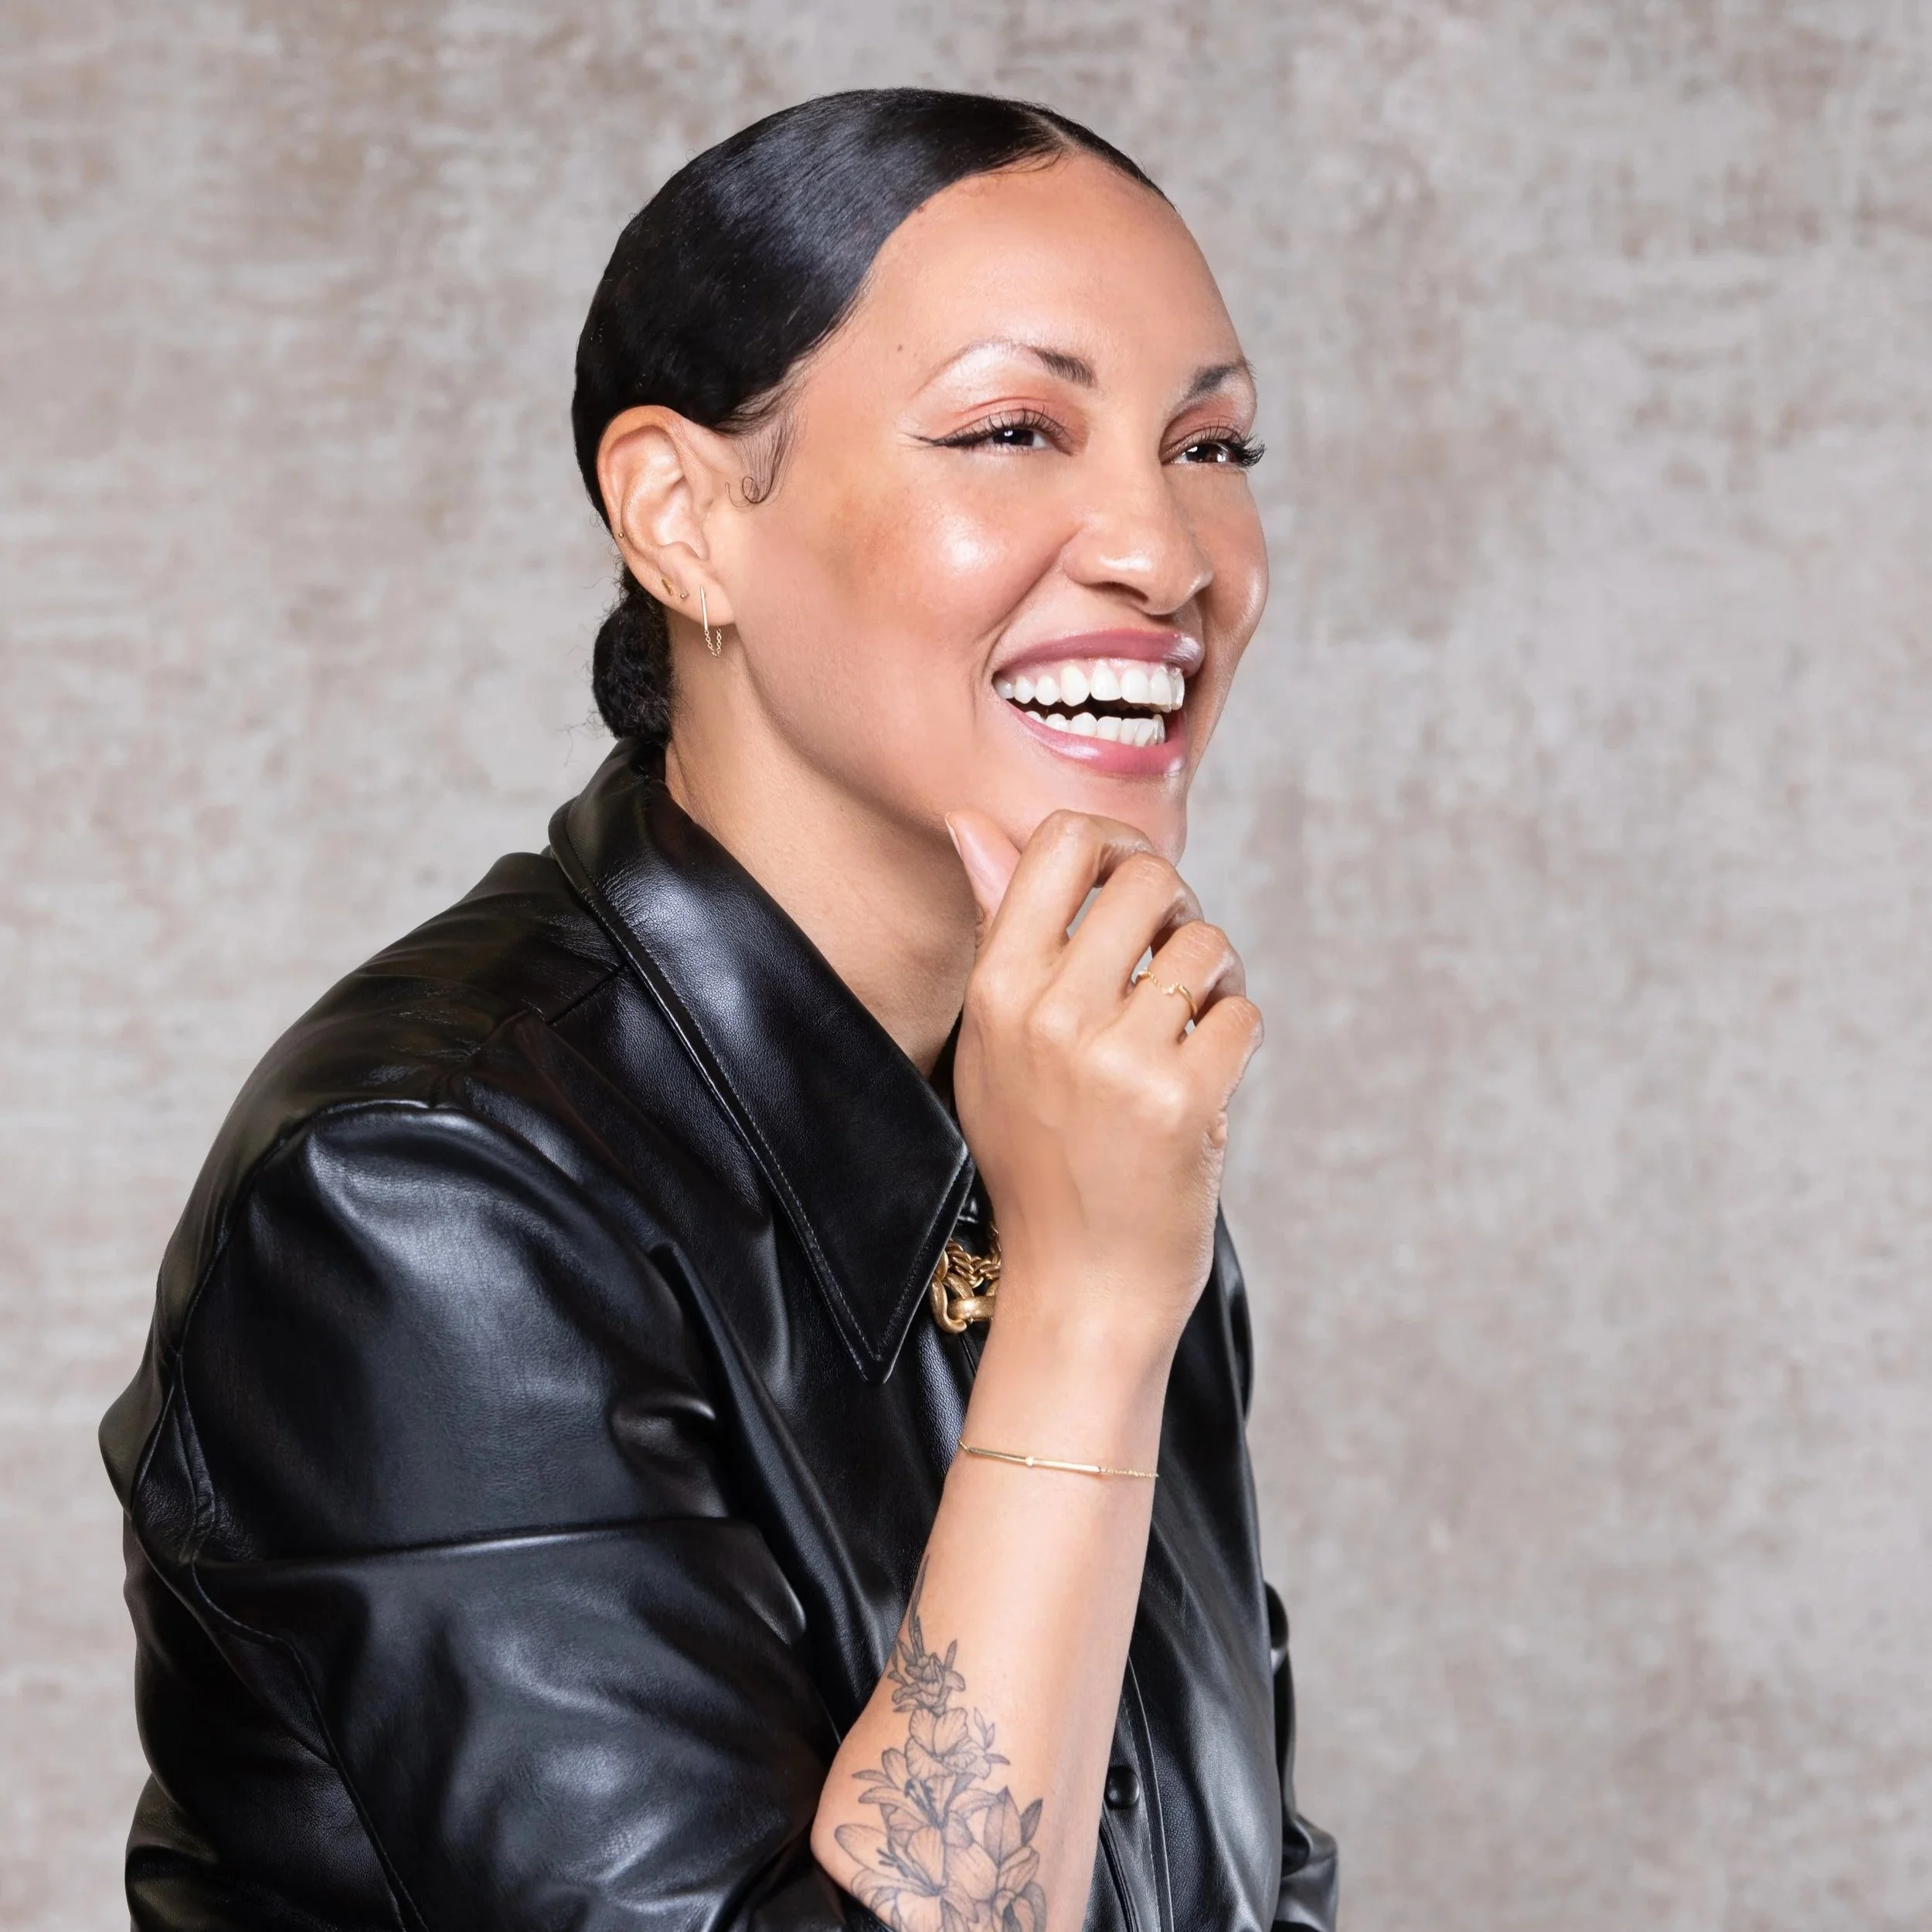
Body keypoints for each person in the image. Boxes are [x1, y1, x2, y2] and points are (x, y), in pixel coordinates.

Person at [100, 87, 1337, 1932]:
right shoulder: (418, 1196)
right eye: (1013, 429)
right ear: (680, 517)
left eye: (1209, 446)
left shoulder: (1070, 1113)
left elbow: (1241, 1883)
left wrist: (1097, 1262)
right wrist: (1084, 1313)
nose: (1161, 553)